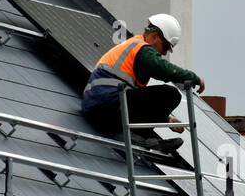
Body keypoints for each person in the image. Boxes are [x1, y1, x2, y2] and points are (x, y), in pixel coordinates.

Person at [81, 13, 204, 153]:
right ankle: (140, 138)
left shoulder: (133, 46)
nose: (164, 53)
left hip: (102, 108)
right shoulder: (142, 49)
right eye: (165, 47)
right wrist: (194, 78)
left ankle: (144, 139)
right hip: (107, 106)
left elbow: (139, 106)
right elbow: (164, 69)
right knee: (170, 95)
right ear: (155, 37)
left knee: (151, 98)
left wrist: (167, 119)